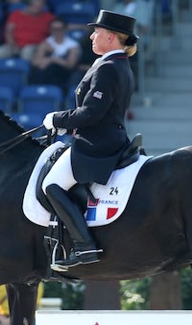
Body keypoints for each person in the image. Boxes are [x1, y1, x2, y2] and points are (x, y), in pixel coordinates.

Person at [41, 10, 138, 270]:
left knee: (51, 185)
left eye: (96, 32)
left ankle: (85, 246)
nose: (92, 36)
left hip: (97, 143)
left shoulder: (108, 67)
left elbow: (91, 113)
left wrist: (57, 119)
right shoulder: (115, 63)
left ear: (110, 37)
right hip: (104, 136)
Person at [30, 18, 81, 93]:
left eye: (59, 29)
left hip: (63, 74)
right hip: (46, 73)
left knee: (52, 67)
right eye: (54, 29)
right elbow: (35, 62)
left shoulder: (72, 45)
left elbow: (70, 65)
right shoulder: (46, 43)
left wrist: (53, 59)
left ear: (65, 29)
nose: (57, 32)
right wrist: (52, 60)